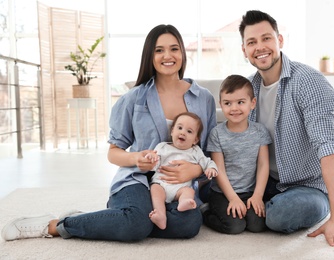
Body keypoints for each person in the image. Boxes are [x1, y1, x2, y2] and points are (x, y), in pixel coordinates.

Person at [1, 24, 217, 242]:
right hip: (138, 179)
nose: (167, 56)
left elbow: (209, 150)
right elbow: (114, 152)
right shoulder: (133, 98)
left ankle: (115, 218)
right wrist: (136, 158)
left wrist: (195, 169)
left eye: (174, 49)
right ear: (149, 56)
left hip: (178, 187)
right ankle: (56, 225)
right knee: (136, 225)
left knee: (188, 224)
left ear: (182, 52)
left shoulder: (204, 98)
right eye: (159, 50)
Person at [238, 10, 334, 247]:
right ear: (244, 50)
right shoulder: (249, 88)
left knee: (280, 215)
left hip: (307, 185)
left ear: (279, 40)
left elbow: (328, 149)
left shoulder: (309, 82)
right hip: (266, 180)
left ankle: (316, 206)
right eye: (252, 42)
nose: (260, 47)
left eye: (266, 38)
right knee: (220, 197)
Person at [203, 74, 271, 234]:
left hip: (249, 192)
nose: (234, 108)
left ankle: (247, 205)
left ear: (252, 103)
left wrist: (258, 196)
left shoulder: (260, 132)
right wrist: (233, 198)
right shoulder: (217, 134)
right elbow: (219, 169)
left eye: (240, 102)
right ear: (221, 104)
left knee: (257, 225)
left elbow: (263, 165)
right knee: (235, 226)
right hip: (222, 193)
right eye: (228, 103)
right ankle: (205, 211)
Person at [146, 112, 218, 230]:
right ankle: (161, 215)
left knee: (189, 191)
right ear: (172, 131)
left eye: (189, 131)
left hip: (180, 189)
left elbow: (207, 161)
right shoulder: (162, 147)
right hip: (161, 184)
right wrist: (151, 159)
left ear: (195, 139)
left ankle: (184, 202)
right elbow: (154, 165)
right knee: (154, 189)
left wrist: (211, 168)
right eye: (179, 128)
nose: (183, 132)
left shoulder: (195, 151)